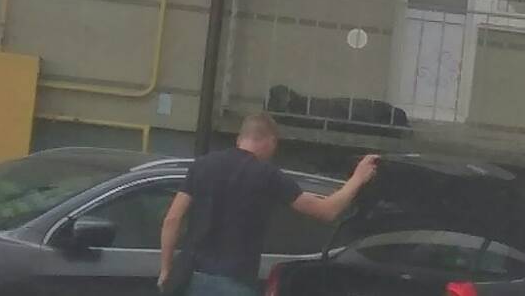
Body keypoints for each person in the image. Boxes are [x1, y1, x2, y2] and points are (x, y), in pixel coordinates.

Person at [158, 112, 379, 295]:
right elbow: (326, 211)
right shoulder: (267, 175)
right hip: (235, 283)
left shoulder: (202, 165)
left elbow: (172, 219)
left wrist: (166, 270)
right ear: (271, 141)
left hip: (190, 279)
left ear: (239, 139)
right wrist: (357, 179)